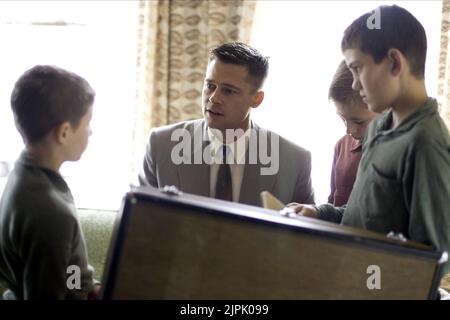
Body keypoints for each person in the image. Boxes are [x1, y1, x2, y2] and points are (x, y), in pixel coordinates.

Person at [288, 5, 450, 281]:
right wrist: (320, 214)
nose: (353, 85)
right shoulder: (378, 130)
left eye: (357, 69)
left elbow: (432, 257)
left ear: (395, 63)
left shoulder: (425, 142)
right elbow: (363, 219)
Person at [139, 42, 314, 207]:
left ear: (257, 99)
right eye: (210, 86)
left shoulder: (295, 161)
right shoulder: (161, 145)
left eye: (228, 91)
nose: (213, 98)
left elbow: (305, 236)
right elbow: (140, 224)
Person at [0, 65, 100, 299]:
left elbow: (67, 274)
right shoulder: (50, 213)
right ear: (64, 132)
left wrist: (91, 288)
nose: (90, 131)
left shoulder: (23, 172)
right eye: (87, 123)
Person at [327, 60, 379, 206]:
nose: (349, 130)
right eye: (343, 119)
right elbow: (333, 202)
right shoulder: (342, 146)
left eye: (359, 122)